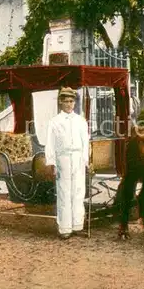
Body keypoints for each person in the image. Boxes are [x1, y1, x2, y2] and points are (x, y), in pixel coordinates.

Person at [45, 86, 90, 240]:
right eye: (66, 101)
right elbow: (50, 144)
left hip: (78, 158)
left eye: (72, 101)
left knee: (78, 192)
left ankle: (77, 225)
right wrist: (52, 163)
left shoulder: (80, 120)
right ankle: (65, 228)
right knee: (64, 192)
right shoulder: (54, 122)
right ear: (60, 103)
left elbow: (86, 142)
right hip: (63, 158)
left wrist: (86, 160)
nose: (69, 104)